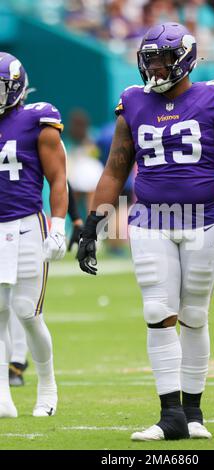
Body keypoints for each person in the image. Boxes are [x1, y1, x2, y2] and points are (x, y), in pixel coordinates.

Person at [77, 22, 214, 441]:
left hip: (205, 219)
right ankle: (170, 413)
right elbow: (115, 168)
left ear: (184, 59)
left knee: (194, 315)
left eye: (162, 59)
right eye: (149, 59)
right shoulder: (134, 103)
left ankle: (193, 413)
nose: (154, 68)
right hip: (151, 220)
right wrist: (92, 225)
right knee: (159, 312)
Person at [0, 52, 67, 417]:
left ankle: (47, 383)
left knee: (27, 311)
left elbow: (58, 176)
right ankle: (2, 397)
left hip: (26, 223)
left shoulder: (35, 118)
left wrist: (58, 225)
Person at [8, 182, 82, 387]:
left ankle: (17, 361)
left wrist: (75, 219)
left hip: (25, 225)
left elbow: (59, 176)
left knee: (23, 301)